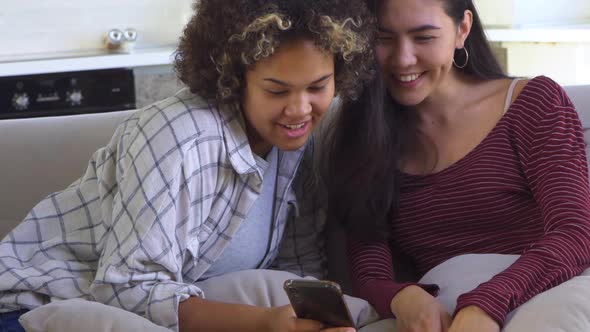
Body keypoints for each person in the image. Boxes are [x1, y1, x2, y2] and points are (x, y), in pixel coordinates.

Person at [0, 1, 375, 331]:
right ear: (234, 78)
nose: (299, 110)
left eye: (318, 86)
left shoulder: (295, 146)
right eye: (277, 90)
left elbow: (298, 268)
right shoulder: (177, 137)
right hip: (34, 307)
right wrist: (264, 323)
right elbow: (127, 290)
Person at [324, 0, 590, 331]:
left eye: (423, 38)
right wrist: (401, 296)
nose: (403, 58)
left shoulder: (534, 102)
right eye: (384, 37)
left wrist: (486, 304)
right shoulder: (365, 132)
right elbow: (370, 271)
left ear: (462, 29)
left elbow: (575, 234)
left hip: (547, 294)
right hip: (446, 307)